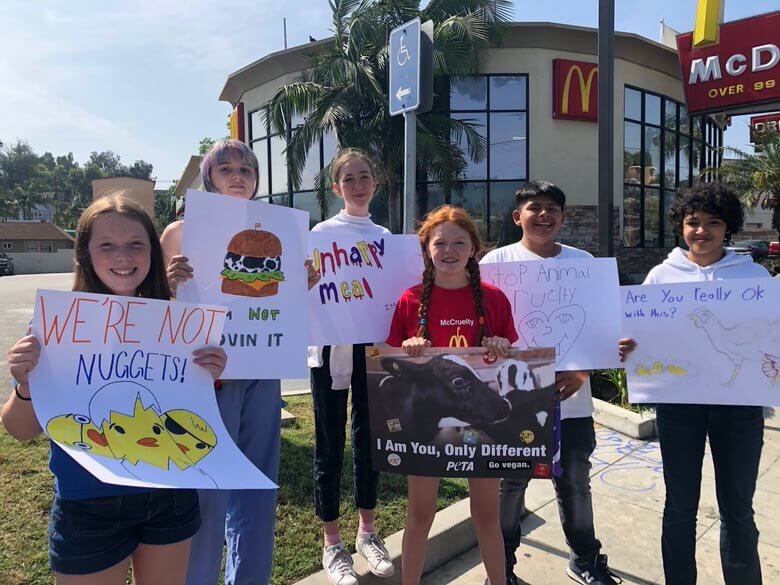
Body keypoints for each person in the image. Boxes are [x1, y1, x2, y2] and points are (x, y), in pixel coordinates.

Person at [1, 195, 227, 584]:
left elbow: (191, 416)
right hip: (88, 502)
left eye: (135, 244)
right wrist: (25, 385)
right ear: (85, 253)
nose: (123, 256)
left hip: (169, 493)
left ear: (152, 253)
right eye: (107, 245)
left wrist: (211, 373)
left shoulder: (178, 325)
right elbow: (20, 431)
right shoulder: (56, 328)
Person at [160, 139, 313, 585]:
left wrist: (301, 285)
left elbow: (276, 305)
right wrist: (168, 284)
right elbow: (153, 311)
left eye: (247, 168)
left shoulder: (279, 229)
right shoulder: (178, 232)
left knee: (258, 487)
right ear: (209, 177)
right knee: (207, 491)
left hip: (261, 373)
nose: (238, 175)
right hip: (205, 377)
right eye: (226, 168)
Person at [619, 183, 768, 585]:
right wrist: (628, 345)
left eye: (712, 223)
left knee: (738, 508)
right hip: (678, 407)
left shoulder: (753, 276)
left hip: (739, 408)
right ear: (680, 226)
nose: (701, 231)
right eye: (693, 222)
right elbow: (638, 333)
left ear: (728, 227)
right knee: (680, 506)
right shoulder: (661, 275)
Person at [480, 181, 620, 585]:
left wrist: (585, 370)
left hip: (571, 399)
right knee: (509, 485)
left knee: (575, 482)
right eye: (534, 207)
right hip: (511, 397)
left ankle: (585, 560)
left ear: (563, 216)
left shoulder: (584, 262)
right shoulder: (494, 264)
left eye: (552, 209)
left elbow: (601, 328)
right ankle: (500, 565)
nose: (543, 215)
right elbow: (481, 328)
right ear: (517, 217)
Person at [386, 204, 518, 585]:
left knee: (487, 517)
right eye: (439, 242)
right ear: (426, 248)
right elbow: (390, 353)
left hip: (477, 429)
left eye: (459, 242)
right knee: (420, 514)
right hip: (428, 436)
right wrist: (409, 347)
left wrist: (500, 344)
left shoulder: (494, 299)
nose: (449, 250)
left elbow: (505, 357)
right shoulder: (410, 300)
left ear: (473, 248)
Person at [307, 147, 394, 585]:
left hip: (372, 353)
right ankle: (331, 543)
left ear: (374, 184)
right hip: (329, 352)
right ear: (336, 187)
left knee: (369, 442)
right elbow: (303, 295)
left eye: (365, 177)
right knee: (329, 445)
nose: (358, 185)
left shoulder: (386, 237)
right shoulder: (320, 235)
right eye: (349, 178)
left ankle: (367, 532)